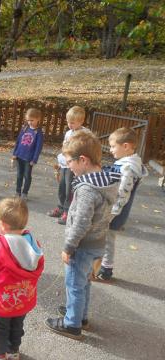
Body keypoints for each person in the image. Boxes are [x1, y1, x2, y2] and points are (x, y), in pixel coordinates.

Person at [45, 130, 119, 340]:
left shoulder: (87, 189)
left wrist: (68, 247)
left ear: (83, 160)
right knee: (84, 282)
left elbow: (81, 223)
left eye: (70, 163)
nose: (69, 167)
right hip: (97, 243)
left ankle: (72, 324)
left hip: (83, 246)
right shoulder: (105, 180)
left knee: (74, 285)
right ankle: (80, 316)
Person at [0, 197, 44, 360]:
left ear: (3, 225)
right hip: (23, 298)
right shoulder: (34, 245)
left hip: (2, 299)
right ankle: (13, 352)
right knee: (16, 325)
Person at [95, 128, 148, 281]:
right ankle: (102, 264)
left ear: (126, 146)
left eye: (113, 146)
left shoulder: (128, 168)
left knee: (108, 239)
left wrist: (112, 213)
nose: (110, 150)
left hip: (114, 211)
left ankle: (106, 269)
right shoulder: (125, 163)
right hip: (113, 209)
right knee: (106, 238)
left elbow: (123, 194)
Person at [47, 106, 89, 225]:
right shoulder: (68, 132)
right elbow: (64, 146)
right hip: (65, 163)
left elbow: (84, 149)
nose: (69, 124)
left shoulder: (84, 134)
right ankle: (60, 207)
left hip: (75, 165)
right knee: (62, 187)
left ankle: (68, 212)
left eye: (72, 122)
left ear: (81, 121)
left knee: (70, 189)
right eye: (68, 122)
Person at [12, 108, 44, 201]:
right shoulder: (25, 128)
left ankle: (25, 193)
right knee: (19, 175)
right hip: (19, 156)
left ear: (38, 119)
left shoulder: (38, 133)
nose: (30, 122)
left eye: (32, 120)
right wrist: (15, 153)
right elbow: (18, 141)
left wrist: (34, 159)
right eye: (28, 120)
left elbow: (38, 148)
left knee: (27, 176)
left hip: (28, 159)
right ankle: (17, 192)